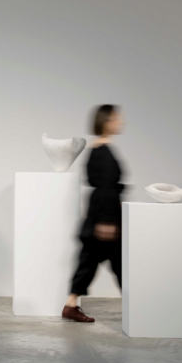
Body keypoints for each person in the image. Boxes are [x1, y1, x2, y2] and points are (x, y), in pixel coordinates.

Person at [62, 105, 125, 323]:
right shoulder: (103, 153)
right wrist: (107, 221)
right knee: (115, 263)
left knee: (93, 262)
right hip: (104, 219)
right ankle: (139, 305)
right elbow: (105, 187)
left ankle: (70, 305)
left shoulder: (97, 151)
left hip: (100, 217)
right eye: (117, 119)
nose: (121, 123)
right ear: (106, 122)